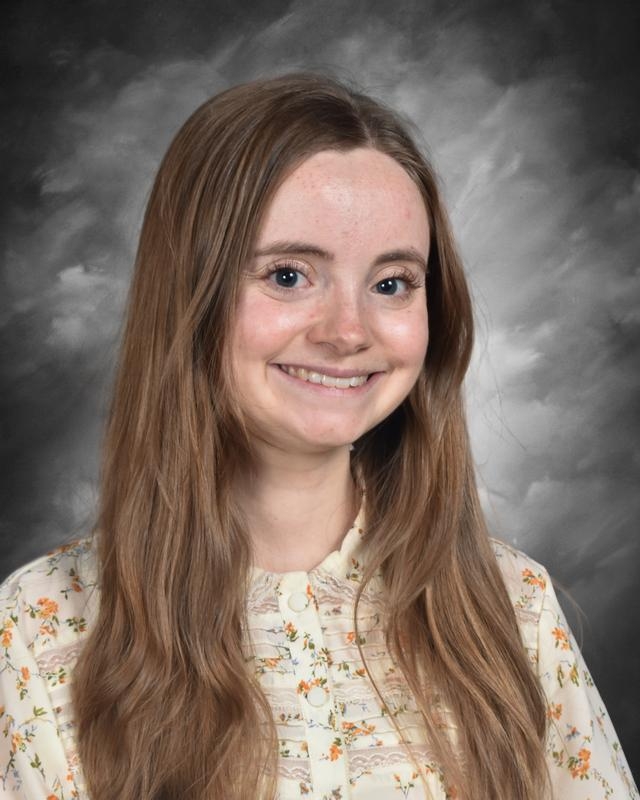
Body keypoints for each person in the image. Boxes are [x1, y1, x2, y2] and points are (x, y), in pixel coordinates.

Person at [0, 73, 636, 800]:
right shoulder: (39, 628)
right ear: (189, 295)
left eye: (391, 283)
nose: (347, 331)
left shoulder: (514, 608)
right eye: (289, 275)